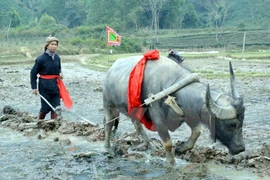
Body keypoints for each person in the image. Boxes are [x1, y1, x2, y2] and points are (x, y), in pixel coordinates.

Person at [30, 36, 64, 120]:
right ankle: (40, 122)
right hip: (44, 85)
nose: (54, 46)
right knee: (45, 108)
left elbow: (59, 68)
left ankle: (53, 125)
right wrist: (34, 87)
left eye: (56, 44)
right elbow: (33, 73)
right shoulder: (40, 59)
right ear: (47, 45)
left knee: (56, 108)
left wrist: (60, 73)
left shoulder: (57, 58)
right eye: (52, 44)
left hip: (55, 85)